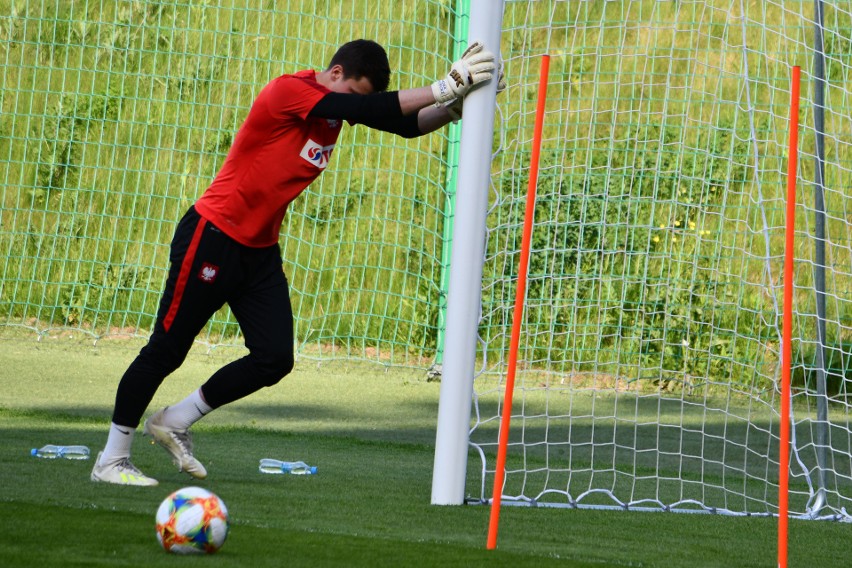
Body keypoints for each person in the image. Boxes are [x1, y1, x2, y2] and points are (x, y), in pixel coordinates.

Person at [90, 39, 498, 485]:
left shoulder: (340, 107)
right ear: (336, 73)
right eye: (354, 95)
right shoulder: (290, 91)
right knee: (165, 351)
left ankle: (175, 421)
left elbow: (402, 123)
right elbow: (370, 110)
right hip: (212, 236)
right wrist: (446, 85)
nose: (355, 108)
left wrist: (461, 106)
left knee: (273, 358)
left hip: (259, 252)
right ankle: (112, 458)